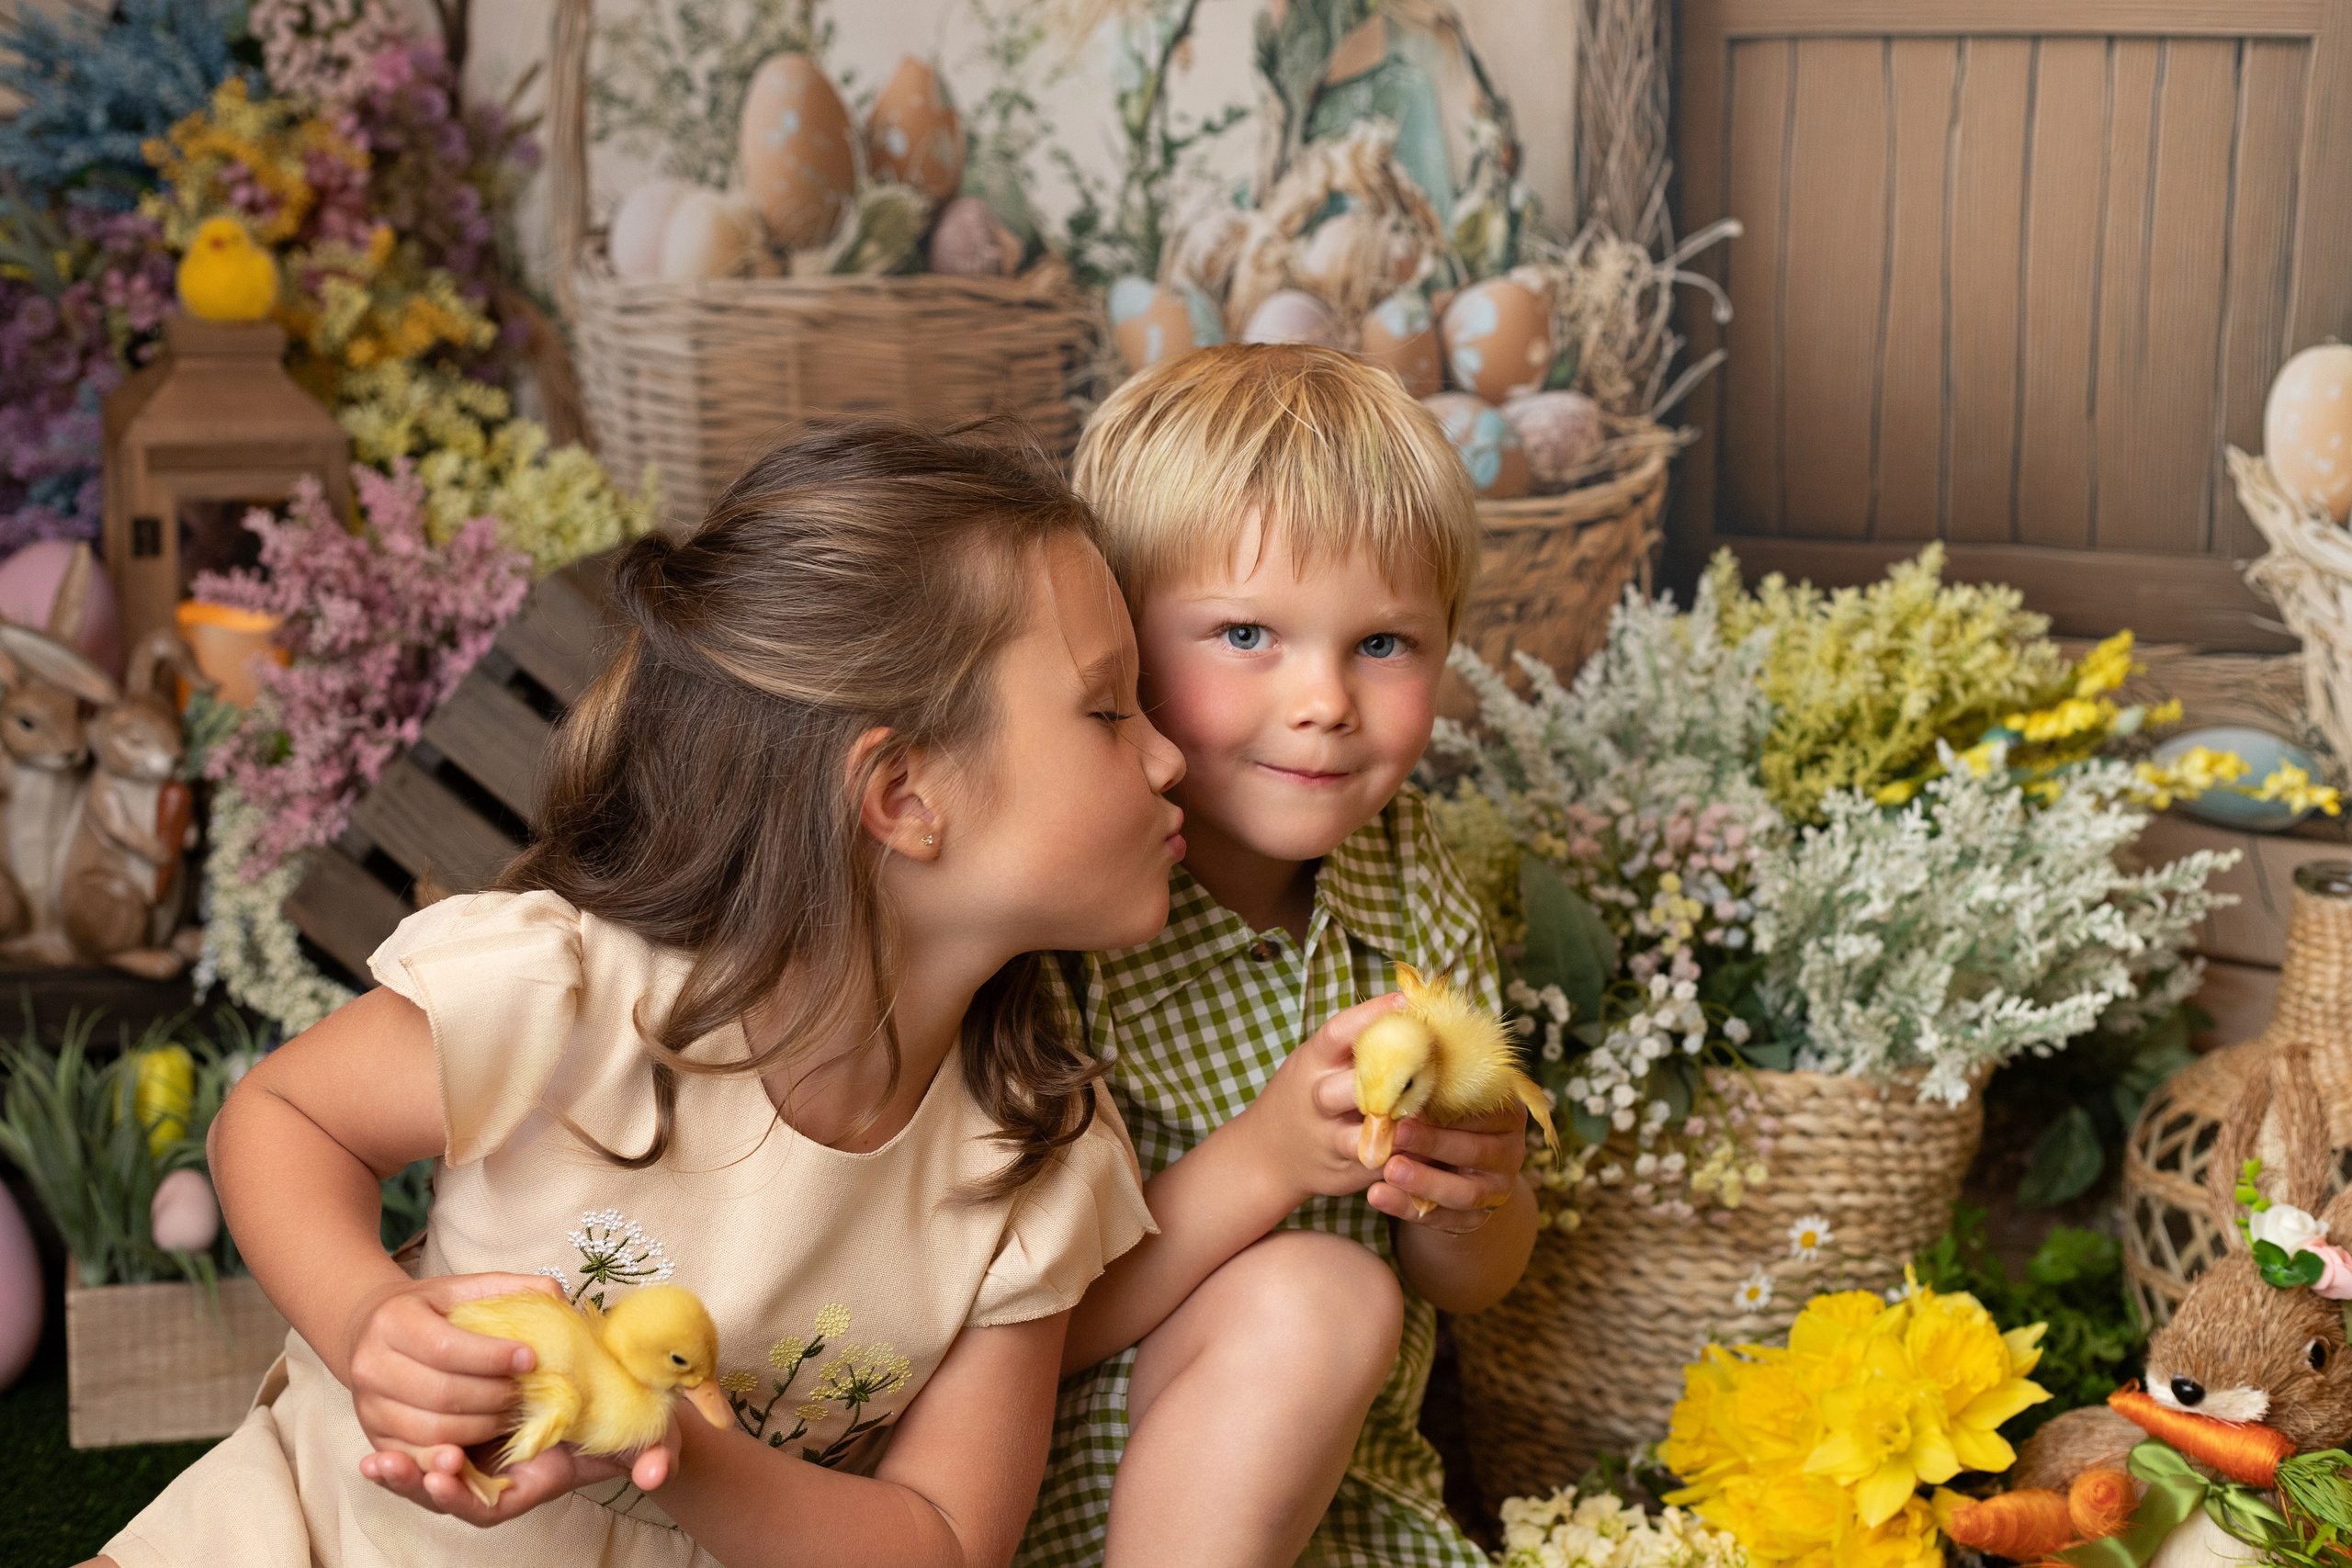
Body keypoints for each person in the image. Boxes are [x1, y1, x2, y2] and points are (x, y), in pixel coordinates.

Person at [96, 424, 1187, 1568]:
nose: (1169, 759)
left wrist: (674, 1448)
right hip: (327, 1528)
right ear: (902, 794)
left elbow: (944, 1539)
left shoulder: (1035, 1159)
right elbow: (280, 1117)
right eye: (1111, 710)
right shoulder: (567, 993)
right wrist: (367, 1315)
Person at [1019, 344, 1536, 1568]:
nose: (1324, 699)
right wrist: (1263, 1157)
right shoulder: (1060, 918)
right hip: (1076, 1487)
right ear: (1118, 650)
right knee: (1320, 1289)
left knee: (1345, 1293)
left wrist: (1476, 1193)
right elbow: (1019, 1327)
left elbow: (1471, 1283)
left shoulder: (1414, 876)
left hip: (1342, 1491)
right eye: (1247, 631)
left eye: (1384, 644)